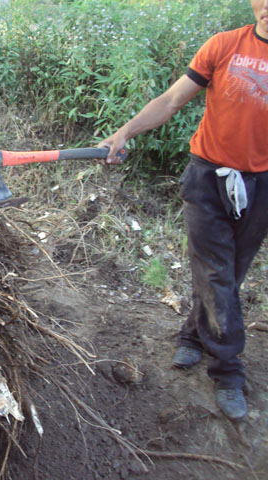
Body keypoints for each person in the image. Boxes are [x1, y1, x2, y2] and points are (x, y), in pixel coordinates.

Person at [99, 0, 268, 421]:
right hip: (208, 176)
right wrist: (124, 132)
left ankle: (192, 336)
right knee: (216, 272)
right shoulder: (225, 45)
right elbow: (172, 99)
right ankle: (227, 371)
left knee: (230, 273)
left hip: (261, 183)